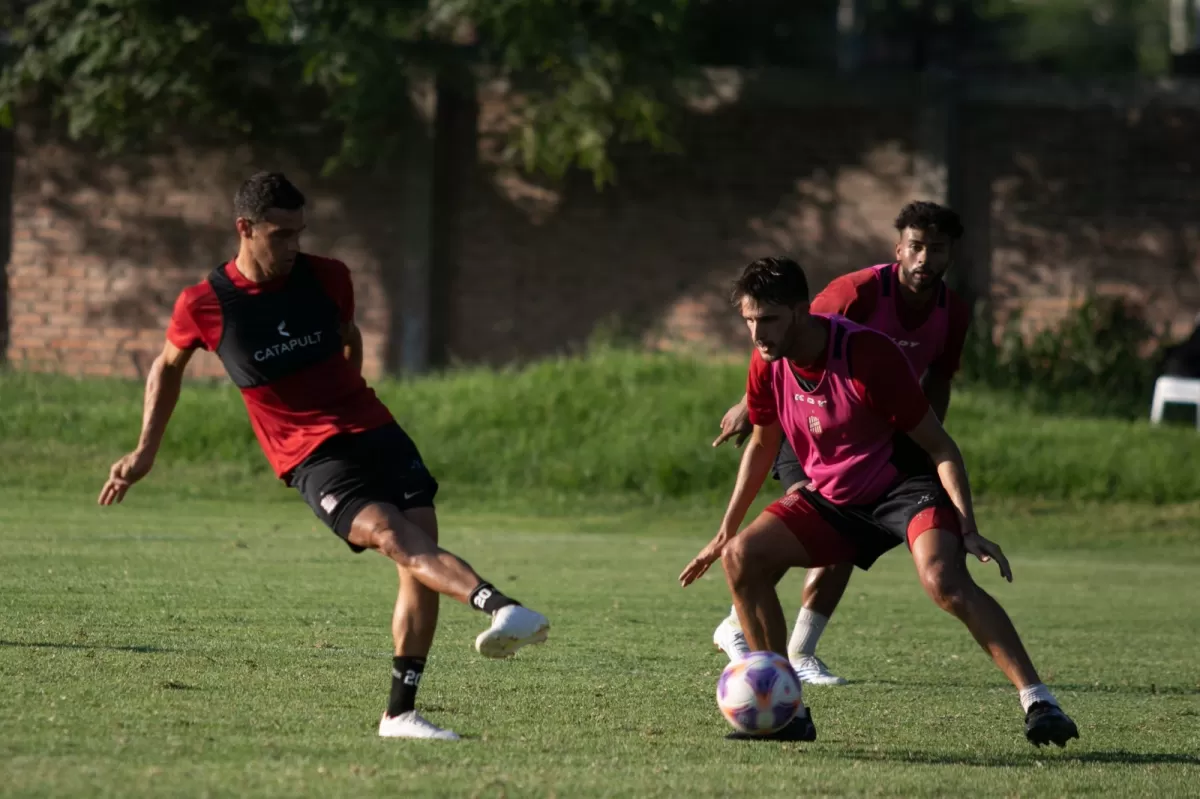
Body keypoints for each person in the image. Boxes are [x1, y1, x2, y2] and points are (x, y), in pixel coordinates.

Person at [98, 172, 550, 741]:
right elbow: (166, 368)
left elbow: (348, 335)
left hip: (376, 431)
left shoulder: (329, 276)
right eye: (281, 234)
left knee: (419, 561)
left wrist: (348, 394)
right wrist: (145, 452)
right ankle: (496, 604)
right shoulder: (206, 304)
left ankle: (400, 713)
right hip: (310, 456)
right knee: (393, 537)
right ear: (245, 228)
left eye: (299, 233)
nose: (293, 245)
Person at [680, 256, 1079, 748]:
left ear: (801, 311)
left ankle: (1040, 702)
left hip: (904, 489)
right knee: (742, 556)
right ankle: (787, 713)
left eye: (769, 320)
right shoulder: (767, 360)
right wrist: (724, 533)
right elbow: (764, 443)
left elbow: (940, 446)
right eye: (749, 321)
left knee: (944, 582)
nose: (758, 334)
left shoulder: (867, 354)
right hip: (835, 499)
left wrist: (968, 526)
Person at [709, 201, 970, 686]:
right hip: (804, 422)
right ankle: (747, 627)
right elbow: (784, 344)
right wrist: (750, 405)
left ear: (952, 254)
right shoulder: (858, 292)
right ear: (899, 249)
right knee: (825, 518)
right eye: (916, 246)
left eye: (937, 250)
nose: (924, 260)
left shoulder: (952, 311)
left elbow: (939, 380)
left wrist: (926, 445)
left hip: (867, 430)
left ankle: (788, 646)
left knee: (845, 528)